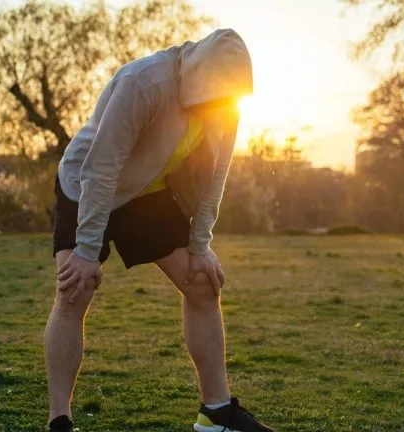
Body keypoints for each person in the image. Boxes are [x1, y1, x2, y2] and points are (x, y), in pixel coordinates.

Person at [45, 29, 276, 432]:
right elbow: (101, 169)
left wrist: (201, 245)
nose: (218, 109)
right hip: (86, 184)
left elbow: (216, 177)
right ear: (198, 77)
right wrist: (85, 251)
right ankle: (59, 421)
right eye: (213, 99)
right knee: (73, 291)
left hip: (145, 192)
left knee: (203, 282)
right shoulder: (145, 82)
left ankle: (217, 414)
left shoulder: (228, 105)